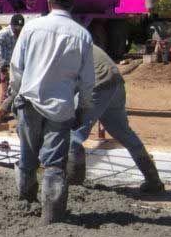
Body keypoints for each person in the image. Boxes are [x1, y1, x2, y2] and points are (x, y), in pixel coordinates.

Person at [0, 0, 93, 224]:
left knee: (27, 157)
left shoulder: (32, 28)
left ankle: (25, 202)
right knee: (54, 165)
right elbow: (87, 81)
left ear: (48, 1)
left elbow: (16, 68)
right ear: (73, 3)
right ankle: (52, 215)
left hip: (29, 103)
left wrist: (14, 96)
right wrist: (82, 108)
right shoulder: (82, 35)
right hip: (61, 108)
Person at [68, 44, 164, 193]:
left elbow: (64, 84)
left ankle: (73, 186)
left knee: (72, 133)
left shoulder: (56, 47)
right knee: (124, 133)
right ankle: (153, 180)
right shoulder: (76, 40)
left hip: (97, 84)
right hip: (115, 81)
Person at [0, 14, 25, 101]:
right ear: (11, 25)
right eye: (16, 29)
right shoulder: (4, 33)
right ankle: (3, 107)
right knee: (6, 93)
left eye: (20, 29)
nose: (18, 31)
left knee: (19, 91)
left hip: (17, 66)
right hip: (5, 67)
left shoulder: (23, 33)